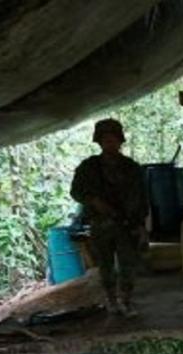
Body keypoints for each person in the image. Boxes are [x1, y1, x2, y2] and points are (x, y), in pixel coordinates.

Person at [70, 118, 149, 316]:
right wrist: (94, 201)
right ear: (99, 141)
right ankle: (111, 300)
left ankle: (127, 301)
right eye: (105, 139)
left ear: (120, 140)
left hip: (126, 224)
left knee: (128, 265)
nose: (110, 142)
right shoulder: (89, 167)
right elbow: (76, 191)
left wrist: (141, 225)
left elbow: (142, 198)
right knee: (105, 265)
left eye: (113, 138)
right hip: (101, 224)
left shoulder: (131, 168)